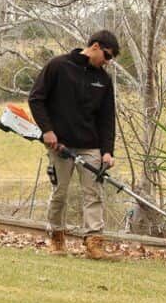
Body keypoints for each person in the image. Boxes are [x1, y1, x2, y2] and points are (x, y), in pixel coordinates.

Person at [28, 30, 120, 260]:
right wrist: (47, 131)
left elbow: (107, 118)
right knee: (60, 192)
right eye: (107, 56)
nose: (108, 63)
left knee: (94, 193)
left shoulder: (103, 80)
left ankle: (94, 242)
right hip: (60, 144)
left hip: (91, 146)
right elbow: (36, 99)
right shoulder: (58, 66)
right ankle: (57, 238)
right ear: (96, 46)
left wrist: (107, 151)